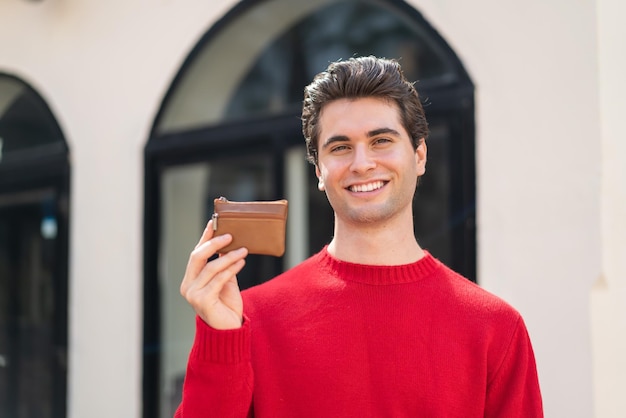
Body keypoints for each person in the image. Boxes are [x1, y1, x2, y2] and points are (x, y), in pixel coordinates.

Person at [175, 56, 543, 417]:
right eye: (340, 147)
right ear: (319, 170)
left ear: (419, 155)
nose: (362, 163)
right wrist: (220, 341)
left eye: (381, 140)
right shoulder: (250, 320)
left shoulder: (495, 329)